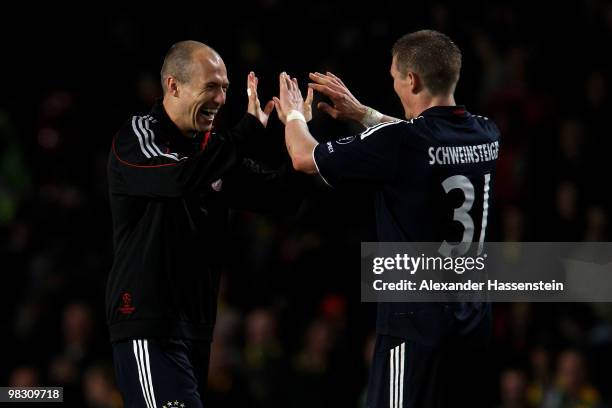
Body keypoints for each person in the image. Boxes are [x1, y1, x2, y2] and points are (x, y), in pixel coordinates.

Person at [275, 30, 500, 407]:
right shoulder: (486, 133)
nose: (393, 83)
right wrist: (364, 114)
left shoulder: (401, 143)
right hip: (473, 322)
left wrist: (294, 113)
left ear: (411, 80)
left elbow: (303, 156)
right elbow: (425, 140)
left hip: (415, 325)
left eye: (394, 76)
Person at [106, 40, 311, 408]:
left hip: (196, 330)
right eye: (210, 87)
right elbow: (179, 179)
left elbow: (283, 197)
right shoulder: (138, 136)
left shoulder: (213, 151)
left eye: (226, 88)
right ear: (173, 85)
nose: (220, 99)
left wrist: (300, 130)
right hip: (148, 325)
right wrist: (245, 133)